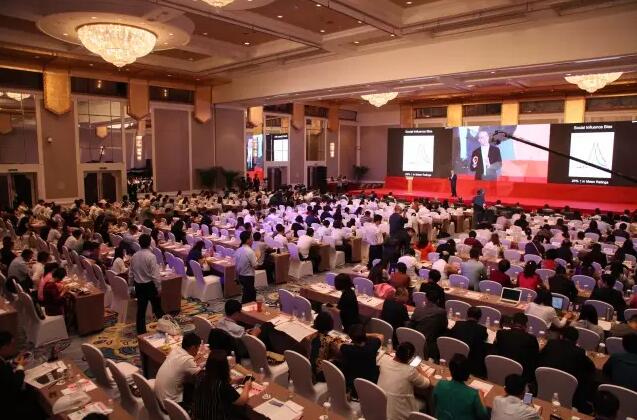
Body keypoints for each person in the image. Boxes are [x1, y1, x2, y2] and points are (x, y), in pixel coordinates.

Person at [539, 326, 596, 413]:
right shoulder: (579, 352)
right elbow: (591, 368)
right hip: (568, 389)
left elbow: (541, 357)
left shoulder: (551, 343)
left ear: (561, 336)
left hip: (545, 383)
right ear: (576, 341)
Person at [192, 350, 252, 420]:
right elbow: (241, 401)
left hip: (199, 416)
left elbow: (211, 384)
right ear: (224, 367)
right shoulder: (223, 386)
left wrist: (233, 381)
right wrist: (247, 386)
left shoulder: (200, 374)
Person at [377, 342, 431, 420]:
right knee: (425, 400)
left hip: (381, 407)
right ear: (410, 358)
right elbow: (427, 384)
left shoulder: (384, 361)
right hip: (399, 413)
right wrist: (420, 370)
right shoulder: (410, 371)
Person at [0, 331, 45, 419]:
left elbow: (4, 366)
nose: (14, 348)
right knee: (33, 392)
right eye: (12, 345)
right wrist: (21, 366)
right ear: (4, 347)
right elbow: (16, 384)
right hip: (8, 405)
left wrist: (14, 363)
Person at [432, 353, 489, 420]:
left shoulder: (440, 384)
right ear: (468, 373)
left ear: (450, 369)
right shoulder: (474, 394)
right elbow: (484, 416)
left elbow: (434, 404)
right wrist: (481, 397)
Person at [155, 332, 202, 409]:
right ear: (193, 347)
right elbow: (202, 376)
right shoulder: (187, 360)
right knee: (198, 388)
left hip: (158, 398)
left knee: (189, 381)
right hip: (170, 405)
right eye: (198, 347)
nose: (198, 351)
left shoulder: (175, 350)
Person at [129, 233, 164, 334]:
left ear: (139, 243)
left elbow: (131, 273)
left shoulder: (134, 256)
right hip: (150, 286)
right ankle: (165, 328)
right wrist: (159, 287)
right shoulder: (151, 256)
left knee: (141, 311)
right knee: (157, 309)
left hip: (139, 286)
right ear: (149, 243)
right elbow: (155, 275)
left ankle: (141, 332)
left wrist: (131, 287)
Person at [494, 313, 539, 384]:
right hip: (521, 373)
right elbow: (535, 356)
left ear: (512, 322)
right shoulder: (531, 339)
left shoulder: (500, 333)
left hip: (501, 367)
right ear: (525, 325)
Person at [339, 324, 383, 397]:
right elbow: (381, 336)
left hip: (351, 384)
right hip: (369, 385)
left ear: (352, 338)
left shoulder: (346, 348)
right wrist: (364, 334)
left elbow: (339, 346)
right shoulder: (372, 346)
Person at [409, 288, 447, 359]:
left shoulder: (418, 309)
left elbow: (411, 323)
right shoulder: (442, 312)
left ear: (425, 299)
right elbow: (444, 327)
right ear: (438, 300)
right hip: (431, 343)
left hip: (415, 339)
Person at [449, 306, 487, 377]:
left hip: (456, 356)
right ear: (479, 318)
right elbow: (485, 337)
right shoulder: (482, 329)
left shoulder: (458, 324)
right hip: (472, 360)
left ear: (467, 315)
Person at [309, 311, 337, 382]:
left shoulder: (310, 335)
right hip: (318, 374)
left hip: (307, 369)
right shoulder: (327, 340)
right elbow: (336, 352)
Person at [234, 231, 258, 303]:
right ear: (247, 240)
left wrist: (236, 277)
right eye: (251, 238)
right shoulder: (250, 251)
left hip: (241, 276)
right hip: (248, 276)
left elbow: (236, 265)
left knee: (247, 293)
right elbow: (255, 266)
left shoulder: (238, 250)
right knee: (249, 297)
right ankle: (245, 308)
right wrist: (257, 257)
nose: (252, 240)